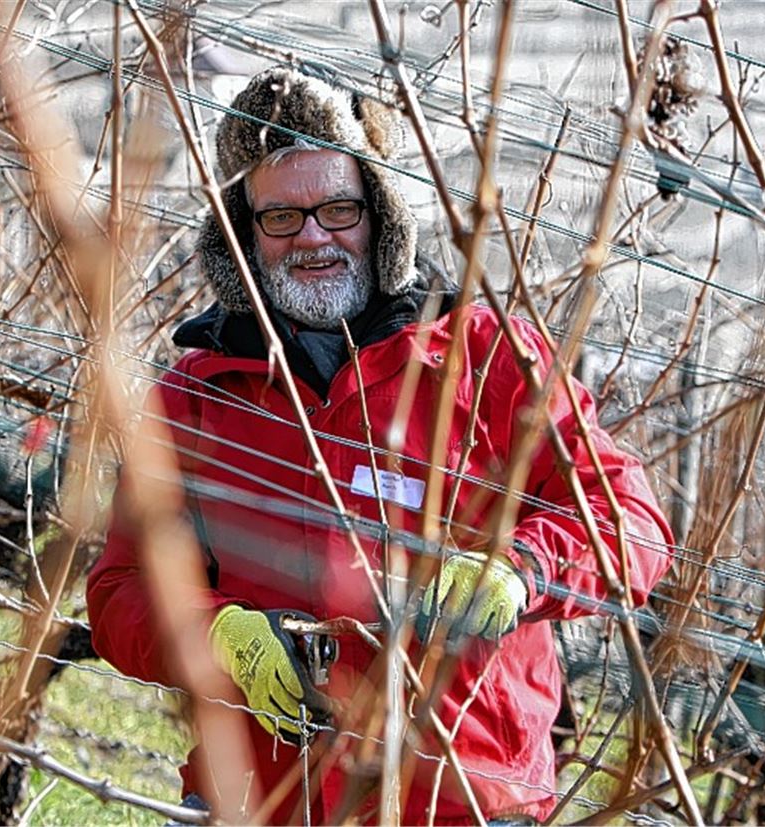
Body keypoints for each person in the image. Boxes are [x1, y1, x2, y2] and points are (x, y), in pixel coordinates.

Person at [87, 67, 674, 825]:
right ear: (241, 234)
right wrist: (219, 633)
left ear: (382, 215)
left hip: (461, 802)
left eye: (338, 209)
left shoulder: (490, 359)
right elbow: (119, 591)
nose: (313, 238)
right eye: (280, 218)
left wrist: (520, 570)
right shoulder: (196, 397)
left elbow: (628, 515)